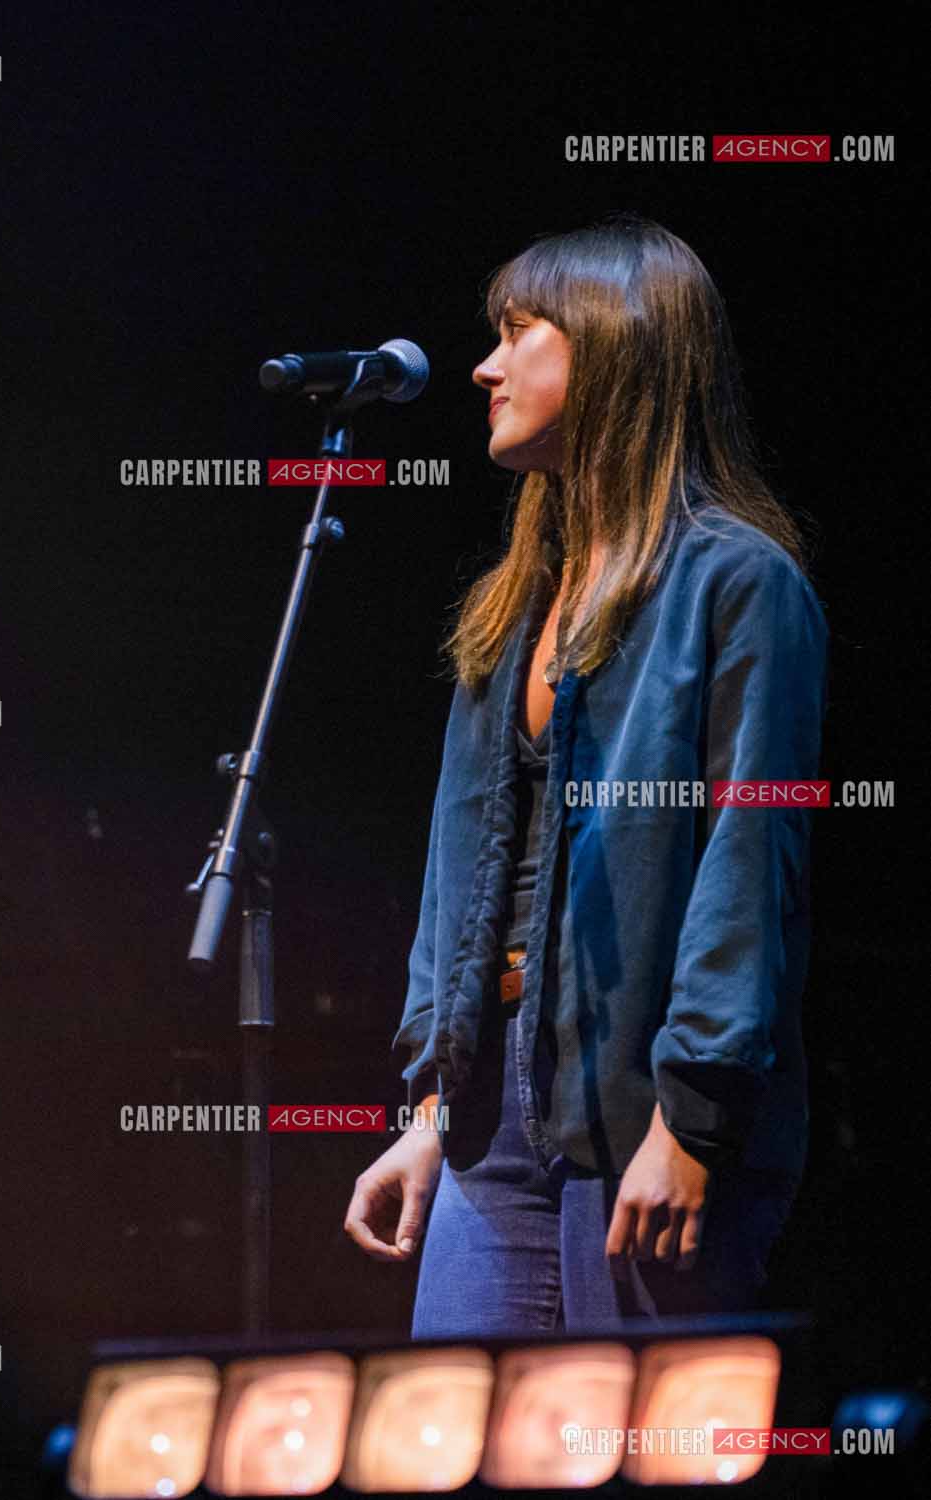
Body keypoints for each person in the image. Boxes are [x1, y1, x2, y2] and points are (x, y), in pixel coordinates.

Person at [341, 215, 826, 1334]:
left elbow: (751, 864)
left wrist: (694, 1122)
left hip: (647, 1099)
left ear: (611, 347)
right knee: (452, 1441)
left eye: (518, 333)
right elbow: (462, 870)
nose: (485, 365)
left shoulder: (739, 583)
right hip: (487, 1111)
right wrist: (429, 1103)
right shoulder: (512, 607)